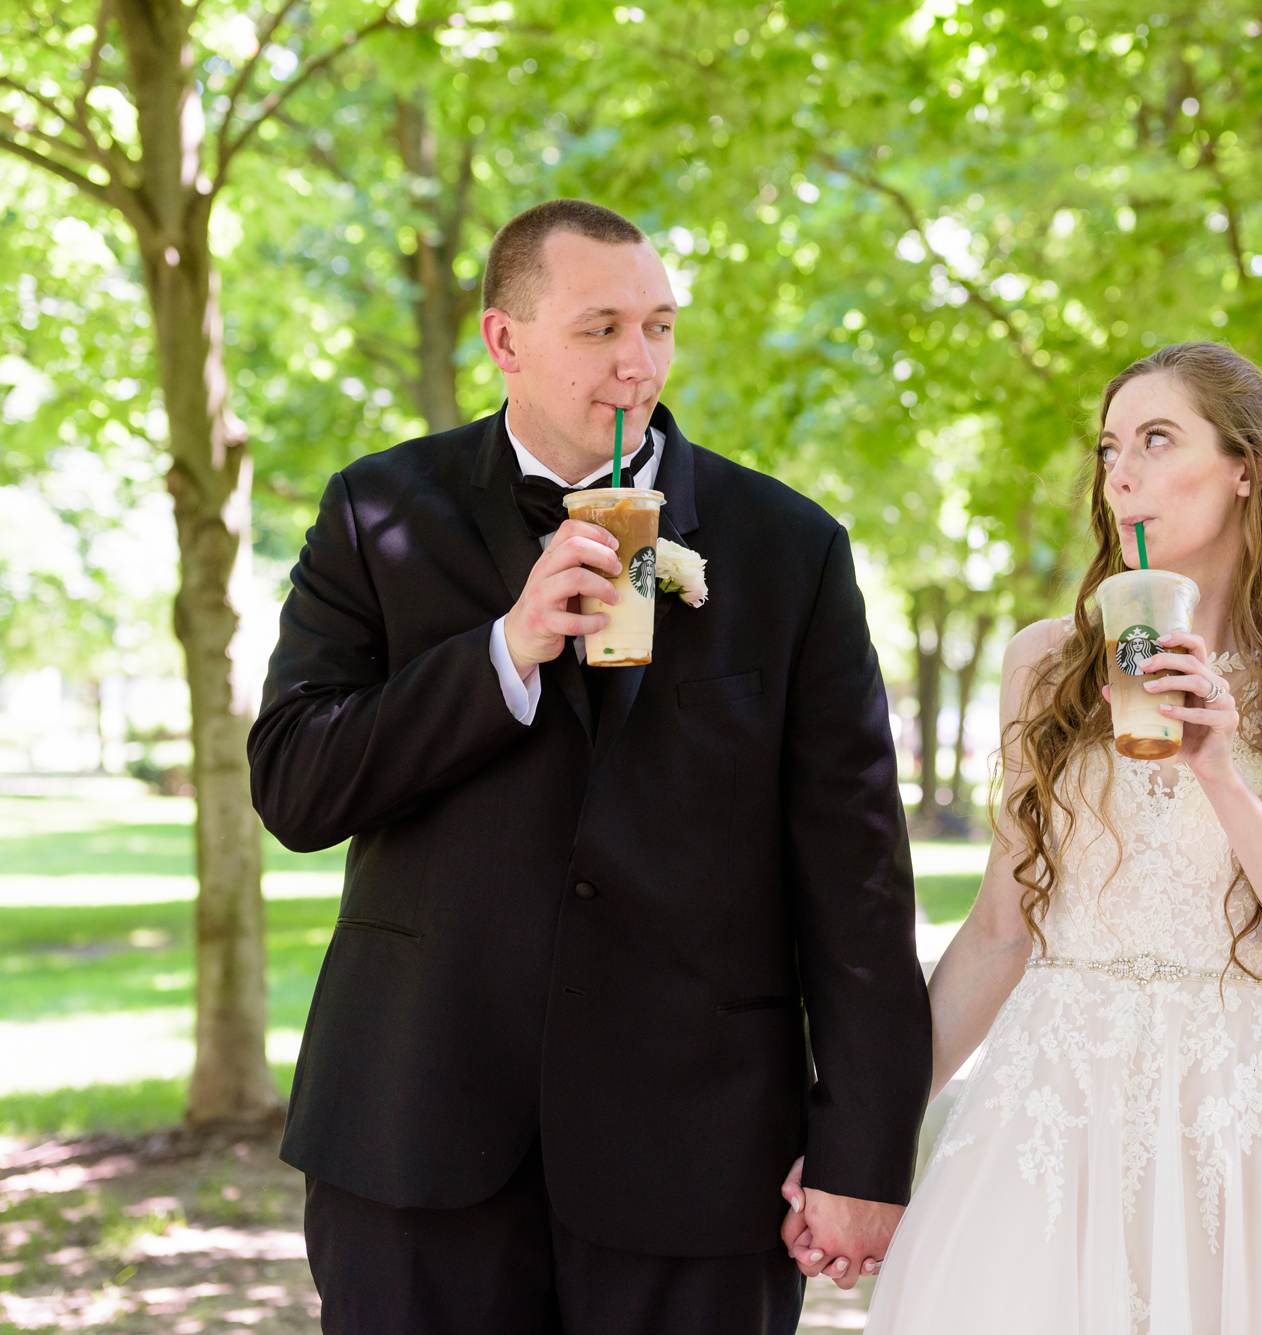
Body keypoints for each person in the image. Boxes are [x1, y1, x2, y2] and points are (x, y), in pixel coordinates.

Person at [248, 198, 932, 1335]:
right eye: (600, 327)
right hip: (416, 1130)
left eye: (659, 326)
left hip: (698, 1150)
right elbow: (297, 785)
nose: (638, 362)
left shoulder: (789, 547)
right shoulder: (376, 514)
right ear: (503, 340)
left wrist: (863, 1151)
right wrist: (501, 655)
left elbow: (856, 871)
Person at [837, 341, 1262, 1332]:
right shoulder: (1044, 666)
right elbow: (997, 933)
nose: (1119, 473)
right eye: (1110, 447)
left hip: (1243, 1135)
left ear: (1245, 468)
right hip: (1049, 1119)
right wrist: (860, 1137)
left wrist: (1220, 770)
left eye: (1157, 440)